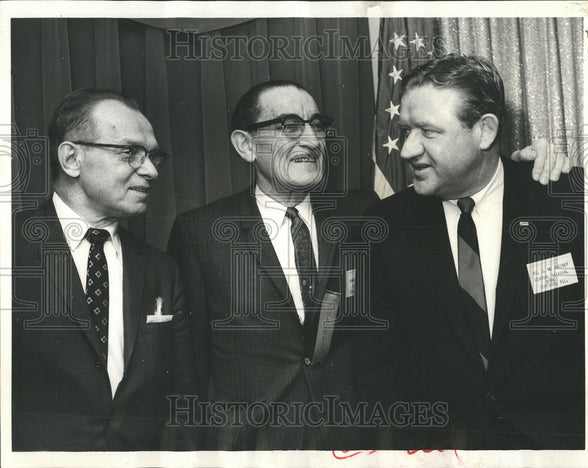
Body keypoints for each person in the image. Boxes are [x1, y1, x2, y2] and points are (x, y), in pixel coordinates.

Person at [167, 79, 561, 450]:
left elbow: (469, 185)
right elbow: (186, 367)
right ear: (246, 145)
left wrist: (525, 166)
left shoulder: (367, 214)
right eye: (289, 126)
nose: (311, 139)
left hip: (354, 441)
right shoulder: (199, 233)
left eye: (317, 125)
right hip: (253, 447)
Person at [357, 54, 584, 450]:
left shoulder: (567, 201)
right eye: (407, 130)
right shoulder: (384, 227)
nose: (408, 149)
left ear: (485, 131)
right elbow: (379, 367)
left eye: (428, 131)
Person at [12, 89, 199, 451]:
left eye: (153, 156)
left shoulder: (162, 269)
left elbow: (183, 401)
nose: (151, 170)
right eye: (130, 153)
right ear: (71, 158)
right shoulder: (10, 250)